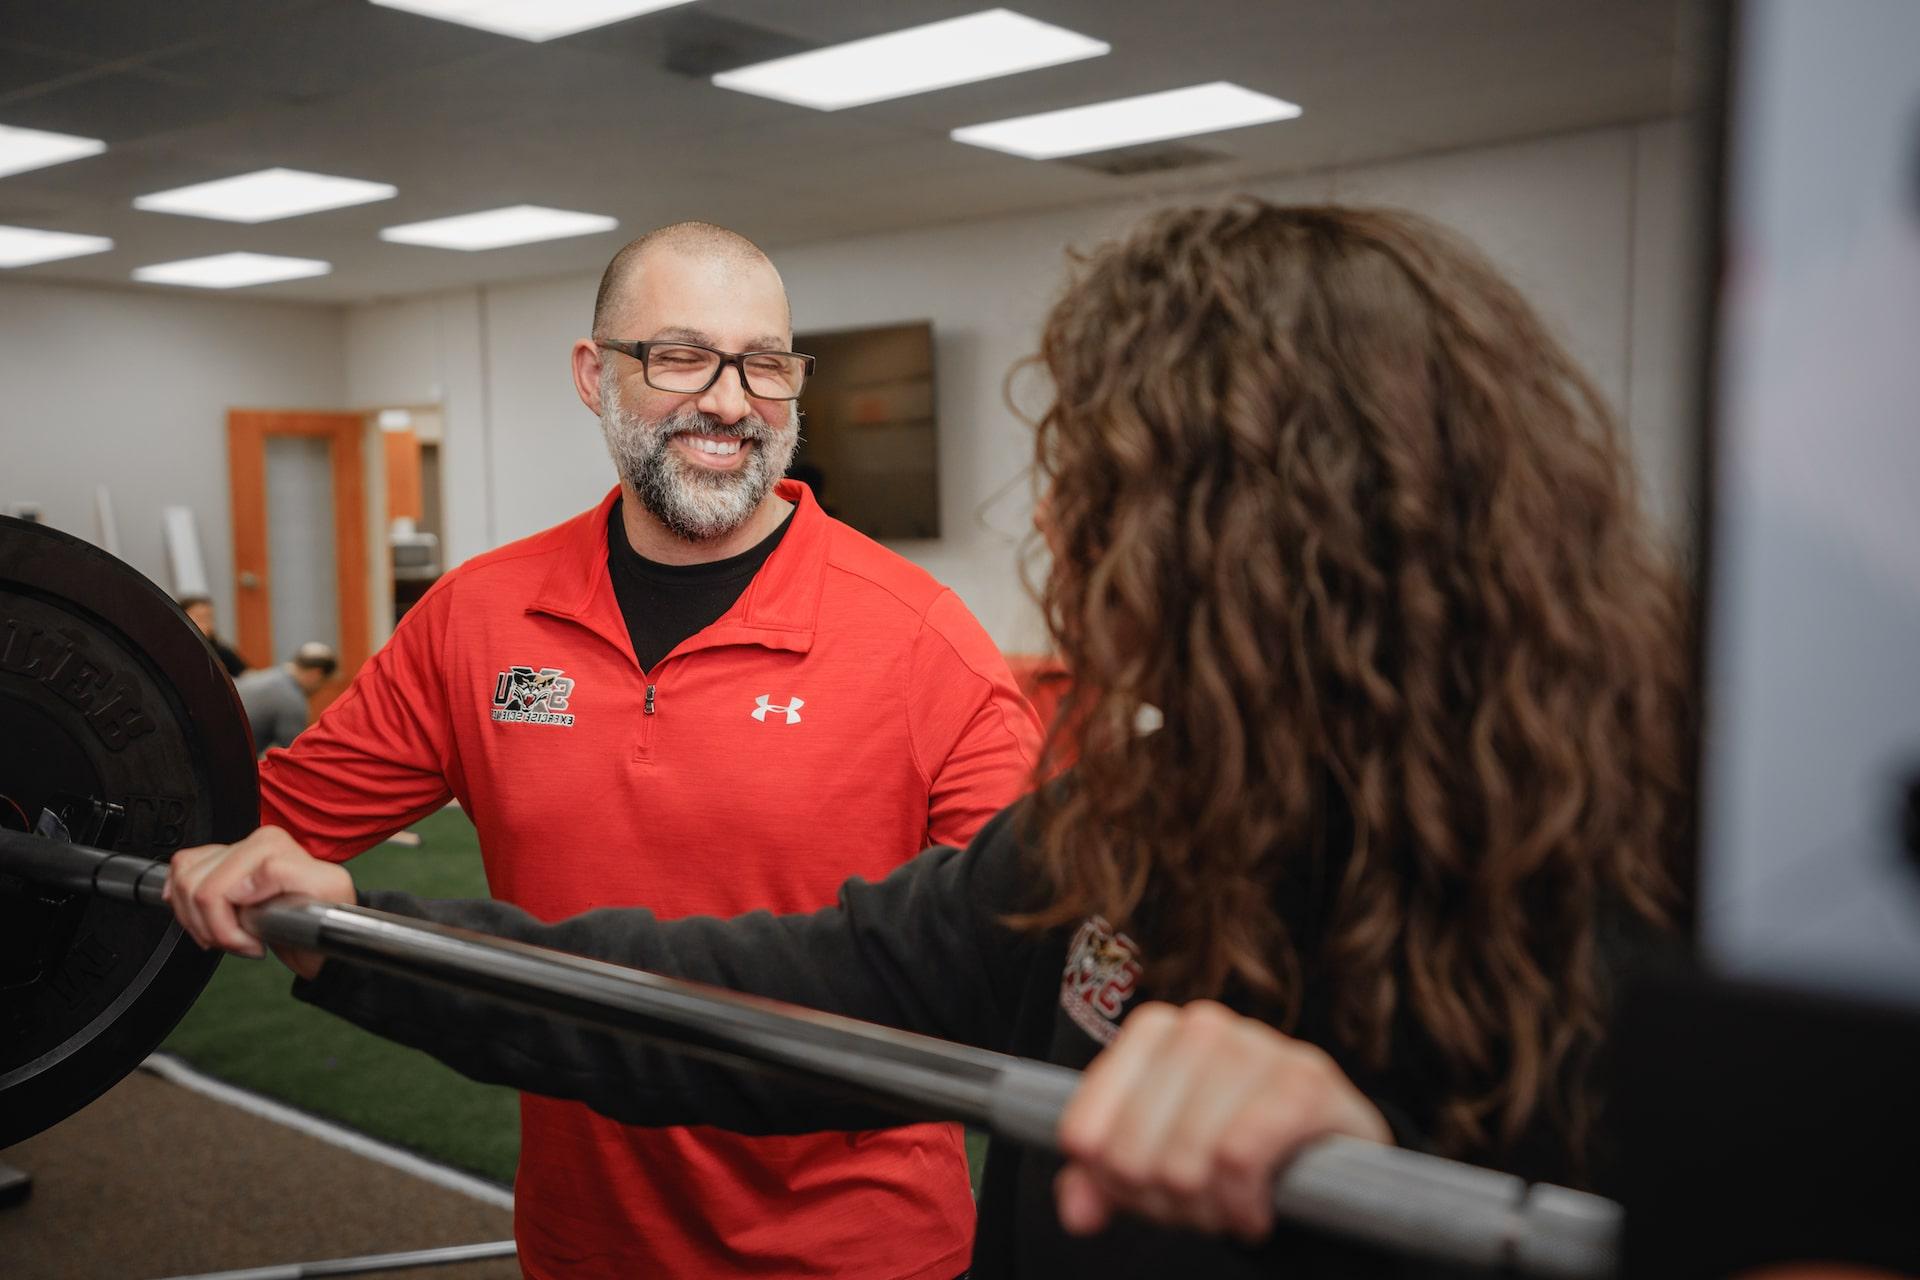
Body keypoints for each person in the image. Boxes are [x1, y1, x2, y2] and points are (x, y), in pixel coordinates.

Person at [168, 202, 1691, 1276]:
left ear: (1286, 531)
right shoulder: (1135, 820)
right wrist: (355, 933)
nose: (1058, 530)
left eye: (1108, 488)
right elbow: (757, 999)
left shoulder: (1638, 898)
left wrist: (1376, 1168)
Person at [169, 221, 1040, 1280]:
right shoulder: (477, 619)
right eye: (680, 354)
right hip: (580, 1249)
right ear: (595, 373)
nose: (729, 399)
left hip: (862, 1255)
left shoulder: (924, 641)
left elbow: (1019, 956)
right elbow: (258, 825)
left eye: (765, 364)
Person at [234, 641, 337, 754]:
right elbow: (296, 755)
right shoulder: (292, 700)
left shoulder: (268, 676)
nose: (320, 690)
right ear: (316, 674)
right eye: (323, 683)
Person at [178, 593, 247, 678]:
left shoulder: (221, 650)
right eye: (200, 618)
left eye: (209, 618)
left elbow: (246, 675)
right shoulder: (176, 651)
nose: (207, 623)